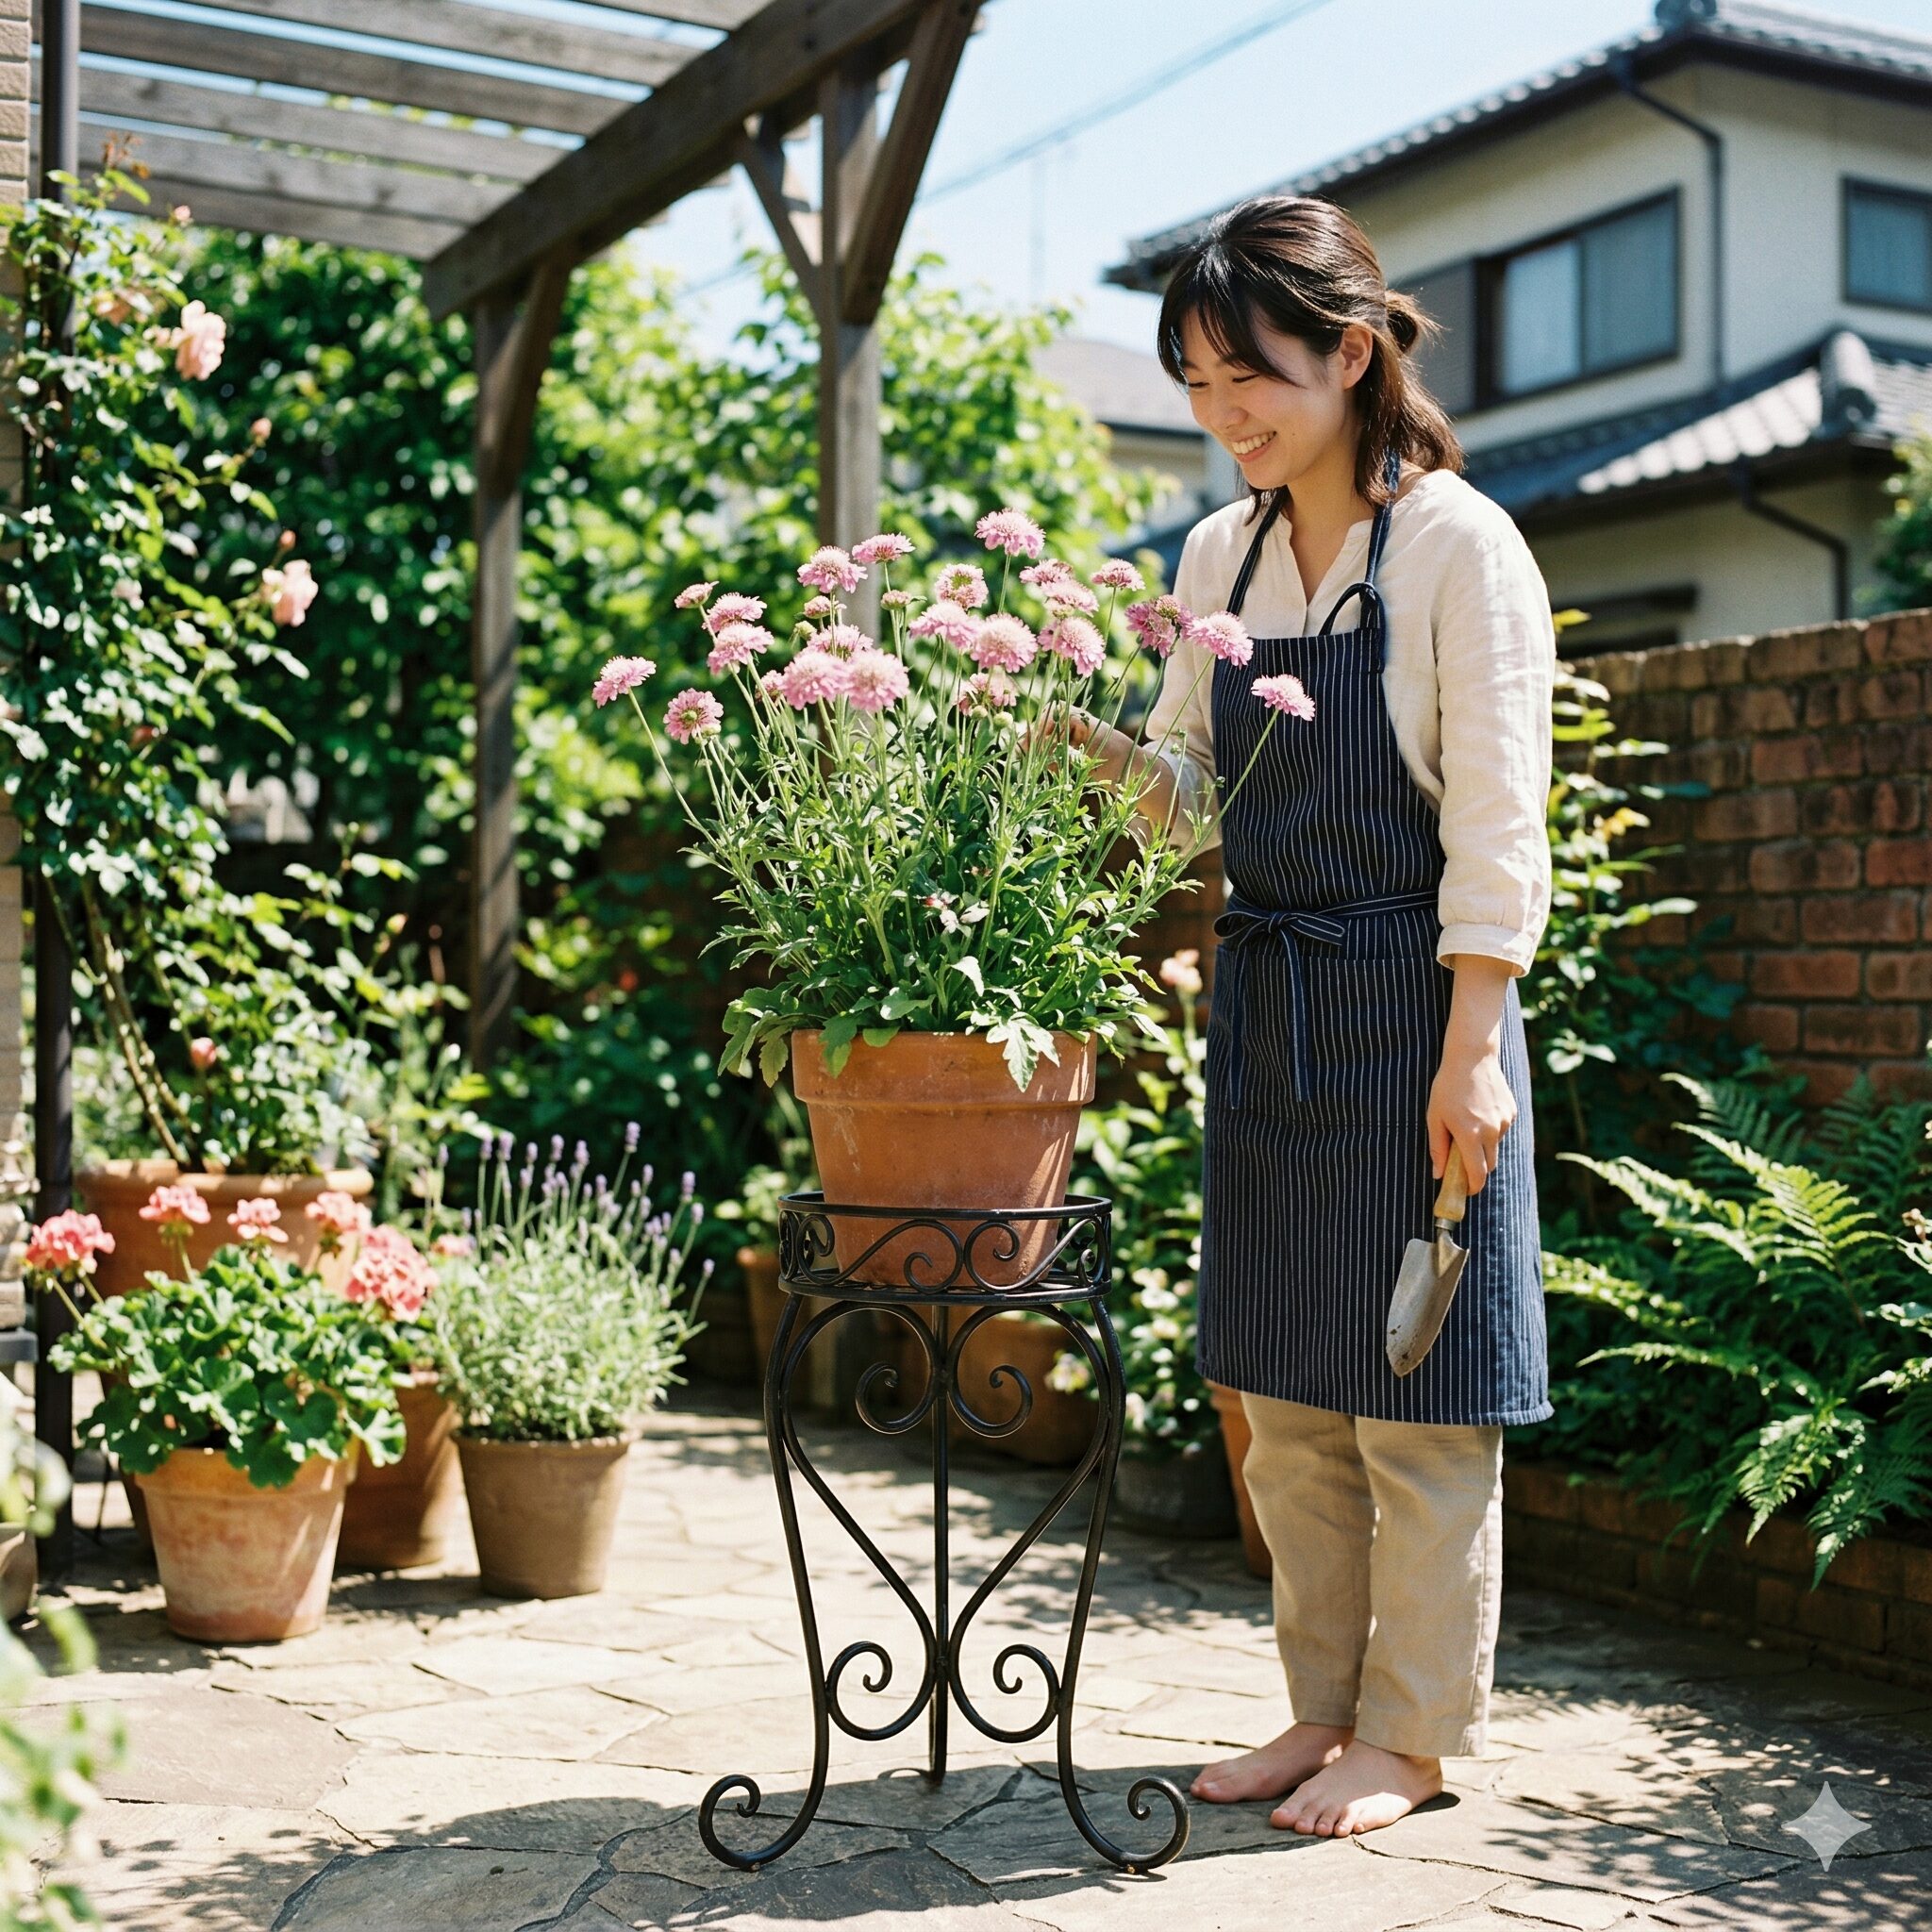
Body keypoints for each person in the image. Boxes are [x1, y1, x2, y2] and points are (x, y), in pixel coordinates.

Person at [1065, 194, 1556, 1840]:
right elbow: (1190, 808)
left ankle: (1413, 1737)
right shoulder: (1224, 554)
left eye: (1248, 377)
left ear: (1350, 352)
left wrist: (1473, 1044)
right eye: (1195, 385)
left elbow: (1497, 819)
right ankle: (1322, 1711)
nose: (1224, 417)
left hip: (1421, 1008)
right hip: (1272, 1006)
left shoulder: (1458, 547)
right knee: (1287, 1395)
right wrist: (1070, 745)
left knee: (1421, 1393)